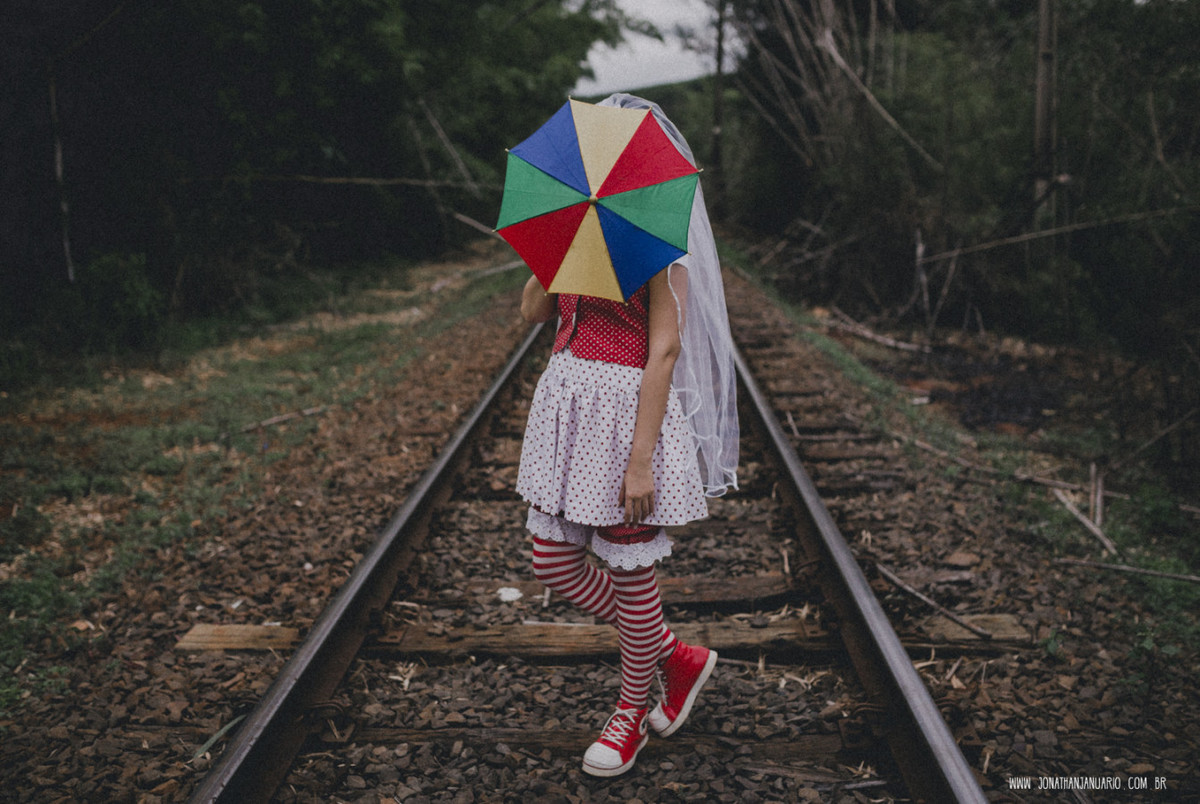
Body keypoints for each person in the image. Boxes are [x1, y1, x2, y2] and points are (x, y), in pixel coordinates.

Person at [514, 93, 739, 777]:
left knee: (629, 570)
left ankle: (630, 714)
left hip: (623, 422)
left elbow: (664, 352)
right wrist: (553, 254)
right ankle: (672, 653)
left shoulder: (659, 247)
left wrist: (640, 463)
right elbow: (531, 315)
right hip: (567, 409)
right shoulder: (579, 239)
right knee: (550, 559)